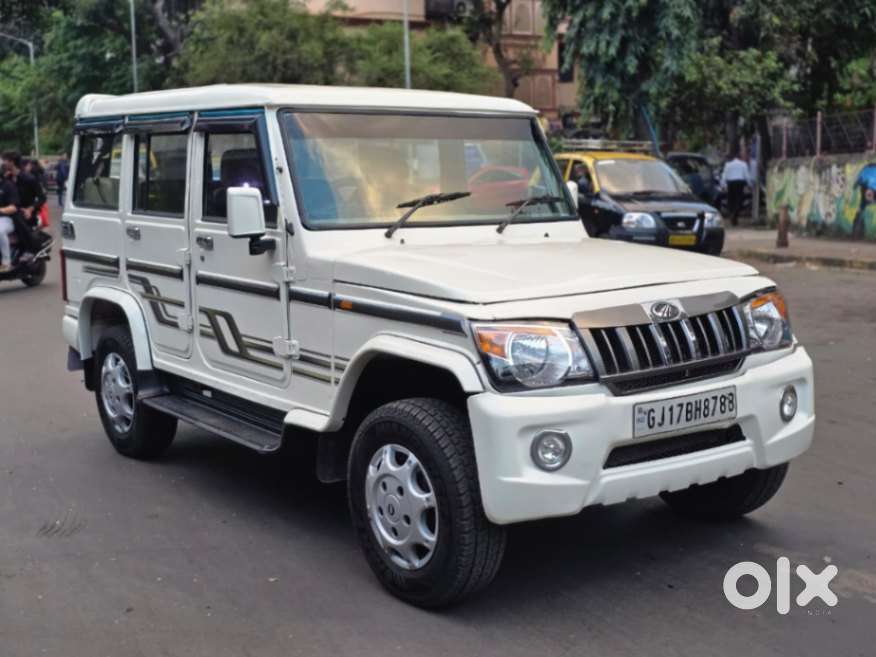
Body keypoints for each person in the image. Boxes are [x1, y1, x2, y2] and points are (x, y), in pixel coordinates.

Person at [2, 151, 46, 228]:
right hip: (9, 216)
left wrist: (30, 209)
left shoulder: (29, 179)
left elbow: (42, 198)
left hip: (26, 218)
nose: (3, 163)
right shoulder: (7, 179)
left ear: (12, 162)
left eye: (4, 160)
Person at [721, 151, 750, 226]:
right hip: (740, 183)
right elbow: (746, 175)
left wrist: (723, 185)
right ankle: (735, 214)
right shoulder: (743, 164)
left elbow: (724, 175)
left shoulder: (728, 164)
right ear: (740, 158)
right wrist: (749, 184)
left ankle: (732, 213)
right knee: (739, 200)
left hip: (730, 183)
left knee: (731, 200)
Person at [0, 171, 19, 273]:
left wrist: (1, 210)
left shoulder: (8, 186)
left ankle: (6, 263)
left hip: (7, 218)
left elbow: (14, 207)